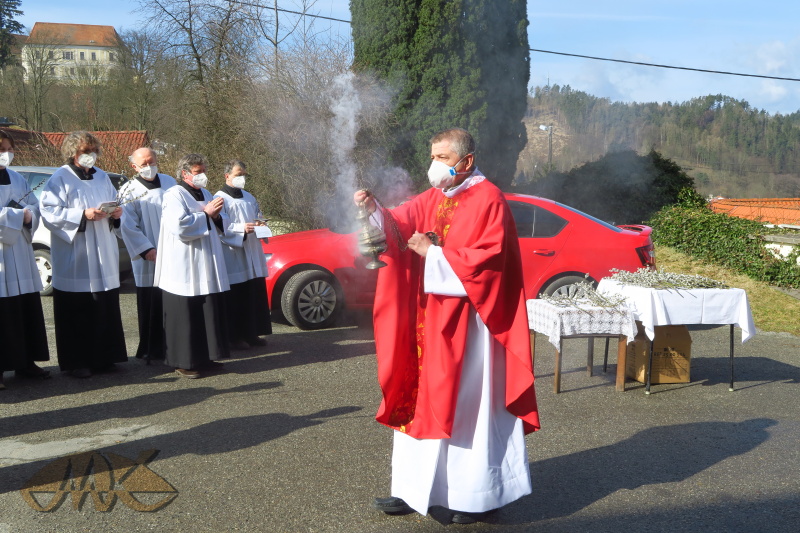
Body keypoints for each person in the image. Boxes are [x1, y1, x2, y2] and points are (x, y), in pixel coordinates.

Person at [353, 128, 540, 524]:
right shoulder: (437, 195)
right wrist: (373, 210)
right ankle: (412, 489)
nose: (434, 165)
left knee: (468, 409)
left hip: (473, 327)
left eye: (442, 157)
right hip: (430, 320)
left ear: (465, 161)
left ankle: (473, 497)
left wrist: (435, 255)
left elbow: (490, 264)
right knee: (420, 400)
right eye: (433, 156)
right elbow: (401, 222)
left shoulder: (489, 199)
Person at [39, 131, 127, 378]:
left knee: (104, 304)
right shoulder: (60, 178)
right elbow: (48, 212)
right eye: (85, 151)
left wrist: (117, 213)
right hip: (76, 251)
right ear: (72, 153)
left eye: (93, 151)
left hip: (103, 249)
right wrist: (81, 215)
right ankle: (78, 361)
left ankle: (105, 357)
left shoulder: (101, 177)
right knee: (79, 308)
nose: (90, 156)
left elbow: (114, 201)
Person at [154, 153, 230, 378]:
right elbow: (179, 226)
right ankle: (183, 361)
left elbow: (220, 220)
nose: (202, 176)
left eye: (204, 171)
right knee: (186, 313)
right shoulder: (173, 195)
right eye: (198, 172)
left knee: (205, 310)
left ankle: (205, 357)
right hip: (184, 263)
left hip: (205, 261)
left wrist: (216, 218)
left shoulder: (206, 193)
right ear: (185, 173)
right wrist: (207, 215)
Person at [0, 130, 51, 389]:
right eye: (2, 150)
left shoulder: (17, 177)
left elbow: (33, 206)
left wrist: (29, 214)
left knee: (23, 307)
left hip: (19, 250)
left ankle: (25, 362)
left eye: (9, 149)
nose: (7, 154)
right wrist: (17, 216)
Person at [119, 147, 177, 362]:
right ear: (134, 167)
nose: (148, 166)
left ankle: (173, 344)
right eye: (143, 164)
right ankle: (152, 348)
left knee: (173, 299)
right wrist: (146, 249)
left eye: (151, 161)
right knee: (152, 301)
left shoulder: (171, 183)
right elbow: (127, 226)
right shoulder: (128, 190)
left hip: (174, 251)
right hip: (149, 256)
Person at [214, 160, 271, 350]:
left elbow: (258, 215)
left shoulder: (249, 197)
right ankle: (235, 337)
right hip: (234, 253)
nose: (242, 178)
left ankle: (252, 333)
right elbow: (220, 227)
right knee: (237, 297)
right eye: (238, 174)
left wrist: (261, 224)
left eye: (244, 174)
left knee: (252, 293)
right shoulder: (220, 199)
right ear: (227, 176)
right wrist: (240, 229)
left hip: (252, 251)